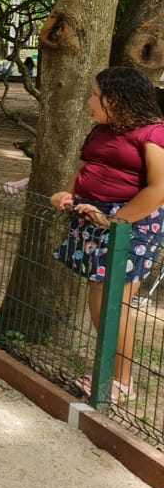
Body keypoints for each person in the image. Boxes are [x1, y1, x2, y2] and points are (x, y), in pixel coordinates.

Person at [51, 67, 164, 402]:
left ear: (116, 100)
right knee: (101, 301)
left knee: (114, 302)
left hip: (130, 226)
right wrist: (68, 193)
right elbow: (86, 168)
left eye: (94, 95)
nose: (89, 101)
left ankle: (120, 382)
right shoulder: (101, 130)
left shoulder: (153, 134)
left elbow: (158, 189)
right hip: (93, 220)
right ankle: (110, 375)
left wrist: (117, 222)